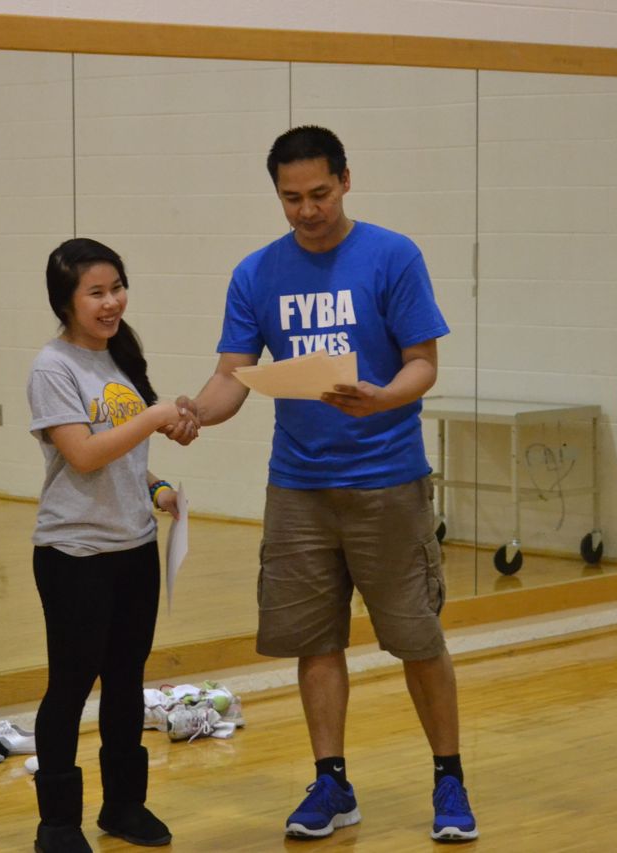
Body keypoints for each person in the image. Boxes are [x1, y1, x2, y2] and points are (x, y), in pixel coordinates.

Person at [166, 125, 476, 842]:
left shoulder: (393, 256)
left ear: (345, 180)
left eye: (319, 194)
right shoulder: (256, 273)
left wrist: (383, 396)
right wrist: (197, 413)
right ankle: (331, 782)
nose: (306, 210)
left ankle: (450, 777)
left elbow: (423, 362)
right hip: (298, 487)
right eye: (290, 198)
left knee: (417, 636)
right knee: (315, 638)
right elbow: (232, 374)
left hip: (387, 481)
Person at [26, 238, 188, 853]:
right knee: (71, 684)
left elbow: (123, 455)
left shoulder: (120, 354)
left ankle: (124, 806)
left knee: (126, 681)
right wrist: (155, 416)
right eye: (95, 292)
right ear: (65, 301)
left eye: (117, 287)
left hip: (134, 546)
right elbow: (84, 454)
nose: (111, 302)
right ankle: (57, 824)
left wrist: (157, 487)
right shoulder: (53, 367)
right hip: (74, 555)